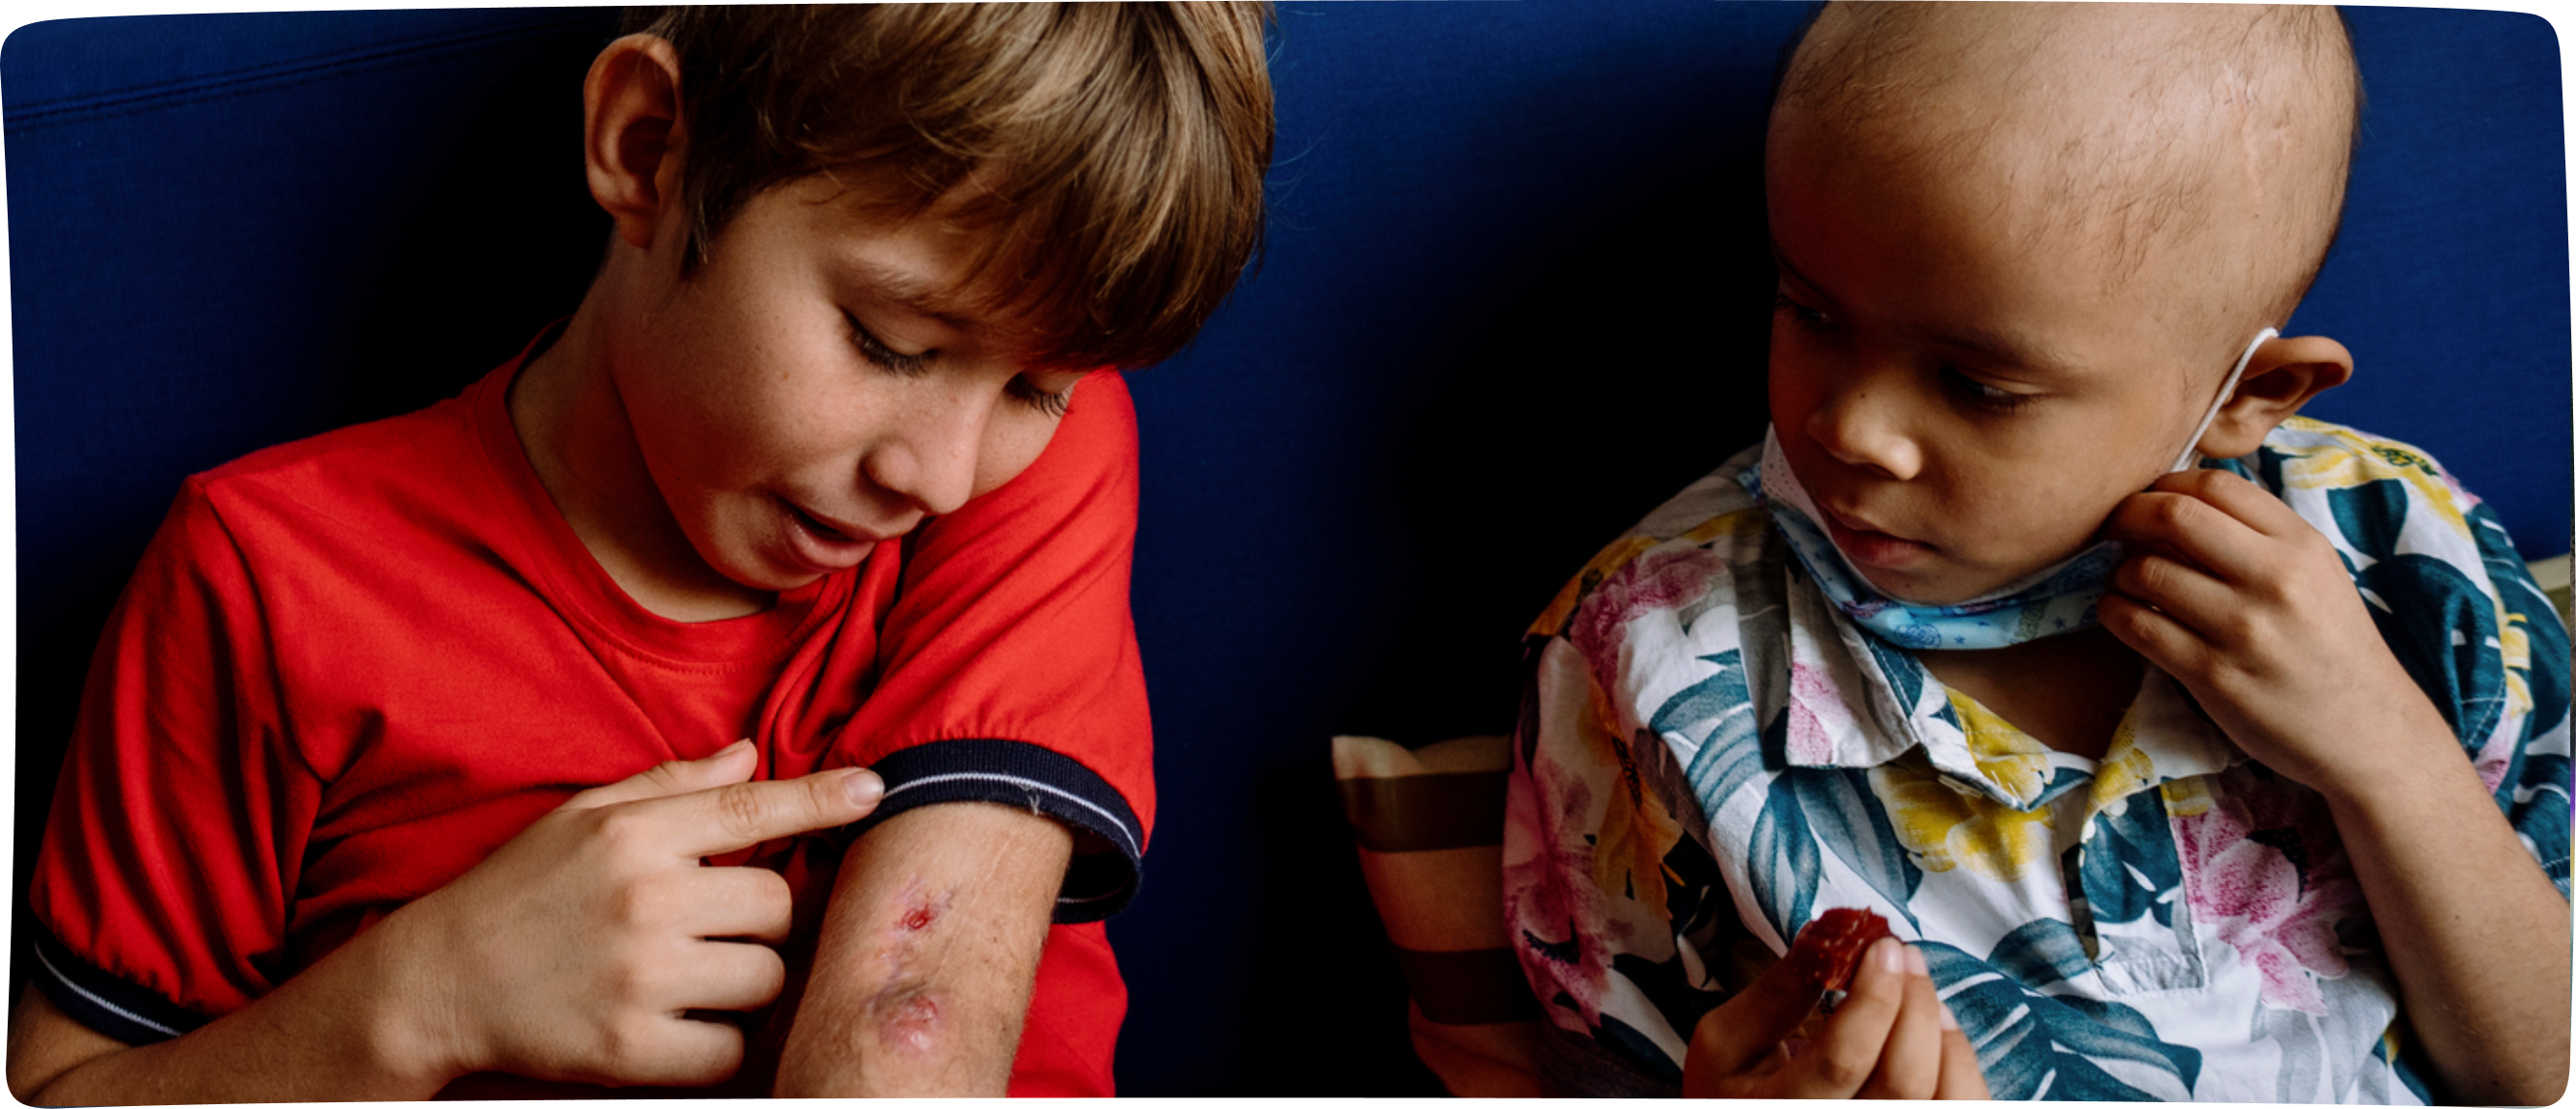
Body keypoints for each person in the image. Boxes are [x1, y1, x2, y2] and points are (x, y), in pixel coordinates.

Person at [8, 4, 1273, 1099]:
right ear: (648, 148)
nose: (934, 477)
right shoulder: (265, 577)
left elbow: (908, 1029)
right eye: (893, 342)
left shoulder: (1033, 475)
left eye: (1038, 386)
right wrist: (417, 1004)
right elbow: (68, 1083)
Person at [1502, 2, 2569, 1102]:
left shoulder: (2408, 556)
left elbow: (2539, 1066)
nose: (1849, 430)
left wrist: (2388, 757)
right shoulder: (1649, 657)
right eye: (1808, 310)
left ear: (2249, 396)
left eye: (1979, 386)